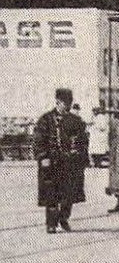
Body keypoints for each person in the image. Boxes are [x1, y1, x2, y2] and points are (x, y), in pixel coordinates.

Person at [34, 88, 88, 233]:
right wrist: (43, 157)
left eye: (70, 102)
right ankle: (51, 223)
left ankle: (63, 217)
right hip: (51, 163)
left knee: (68, 195)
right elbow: (38, 141)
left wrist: (81, 158)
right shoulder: (45, 120)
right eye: (65, 103)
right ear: (58, 102)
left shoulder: (76, 121)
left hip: (69, 163)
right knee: (51, 194)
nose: (68, 105)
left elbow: (83, 141)